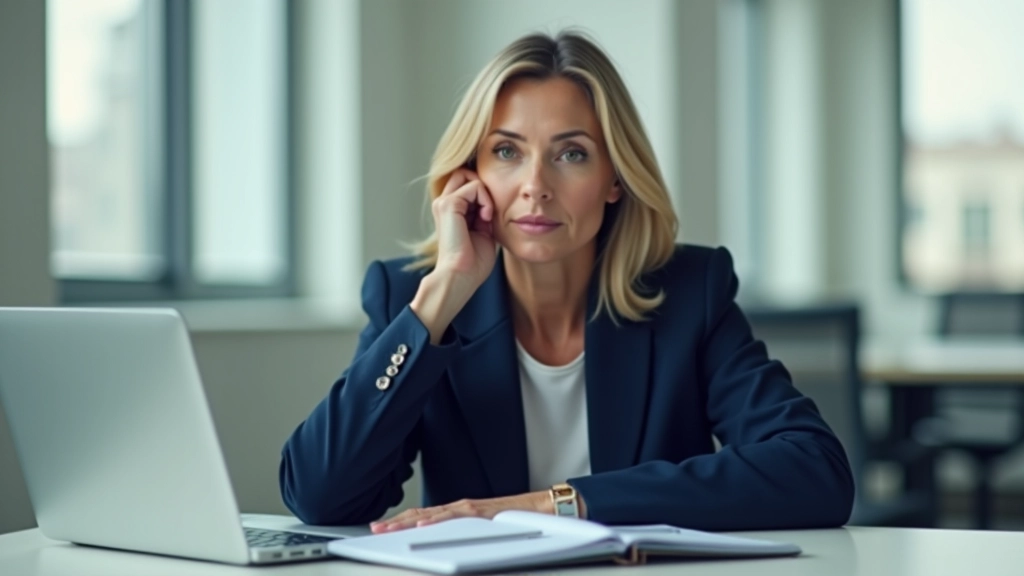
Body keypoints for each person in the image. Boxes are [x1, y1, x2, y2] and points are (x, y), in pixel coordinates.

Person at [279, 31, 854, 533]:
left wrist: (552, 504)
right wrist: (438, 299)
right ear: (470, 175)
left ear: (614, 179)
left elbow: (815, 470)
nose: (536, 185)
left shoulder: (690, 294)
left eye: (571, 154)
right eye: (507, 151)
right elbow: (320, 498)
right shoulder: (411, 299)